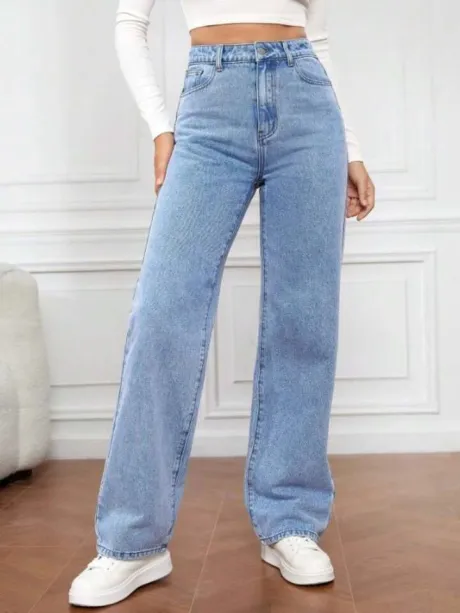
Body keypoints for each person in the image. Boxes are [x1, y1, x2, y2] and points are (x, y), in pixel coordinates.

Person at [69, 0, 375, 607]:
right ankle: (132, 541)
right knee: (161, 313)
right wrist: (161, 127)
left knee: (304, 320)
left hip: (308, 102)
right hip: (210, 103)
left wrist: (351, 147)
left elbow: (317, 37)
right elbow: (130, 21)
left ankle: (290, 521)